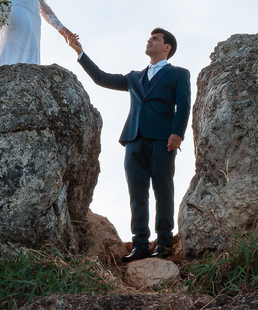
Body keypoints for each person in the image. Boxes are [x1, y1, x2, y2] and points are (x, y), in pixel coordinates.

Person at [67, 29, 190, 262]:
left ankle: (164, 242)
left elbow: (183, 105)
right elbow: (102, 78)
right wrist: (80, 53)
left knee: (163, 190)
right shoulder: (134, 77)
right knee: (137, 194)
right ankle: (140, 244)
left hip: (163, 140)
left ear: (167, 48)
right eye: (149, 38)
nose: (149, 40)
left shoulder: (179, 74)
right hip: (133, 140)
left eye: (156, 39)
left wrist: (177, 133)